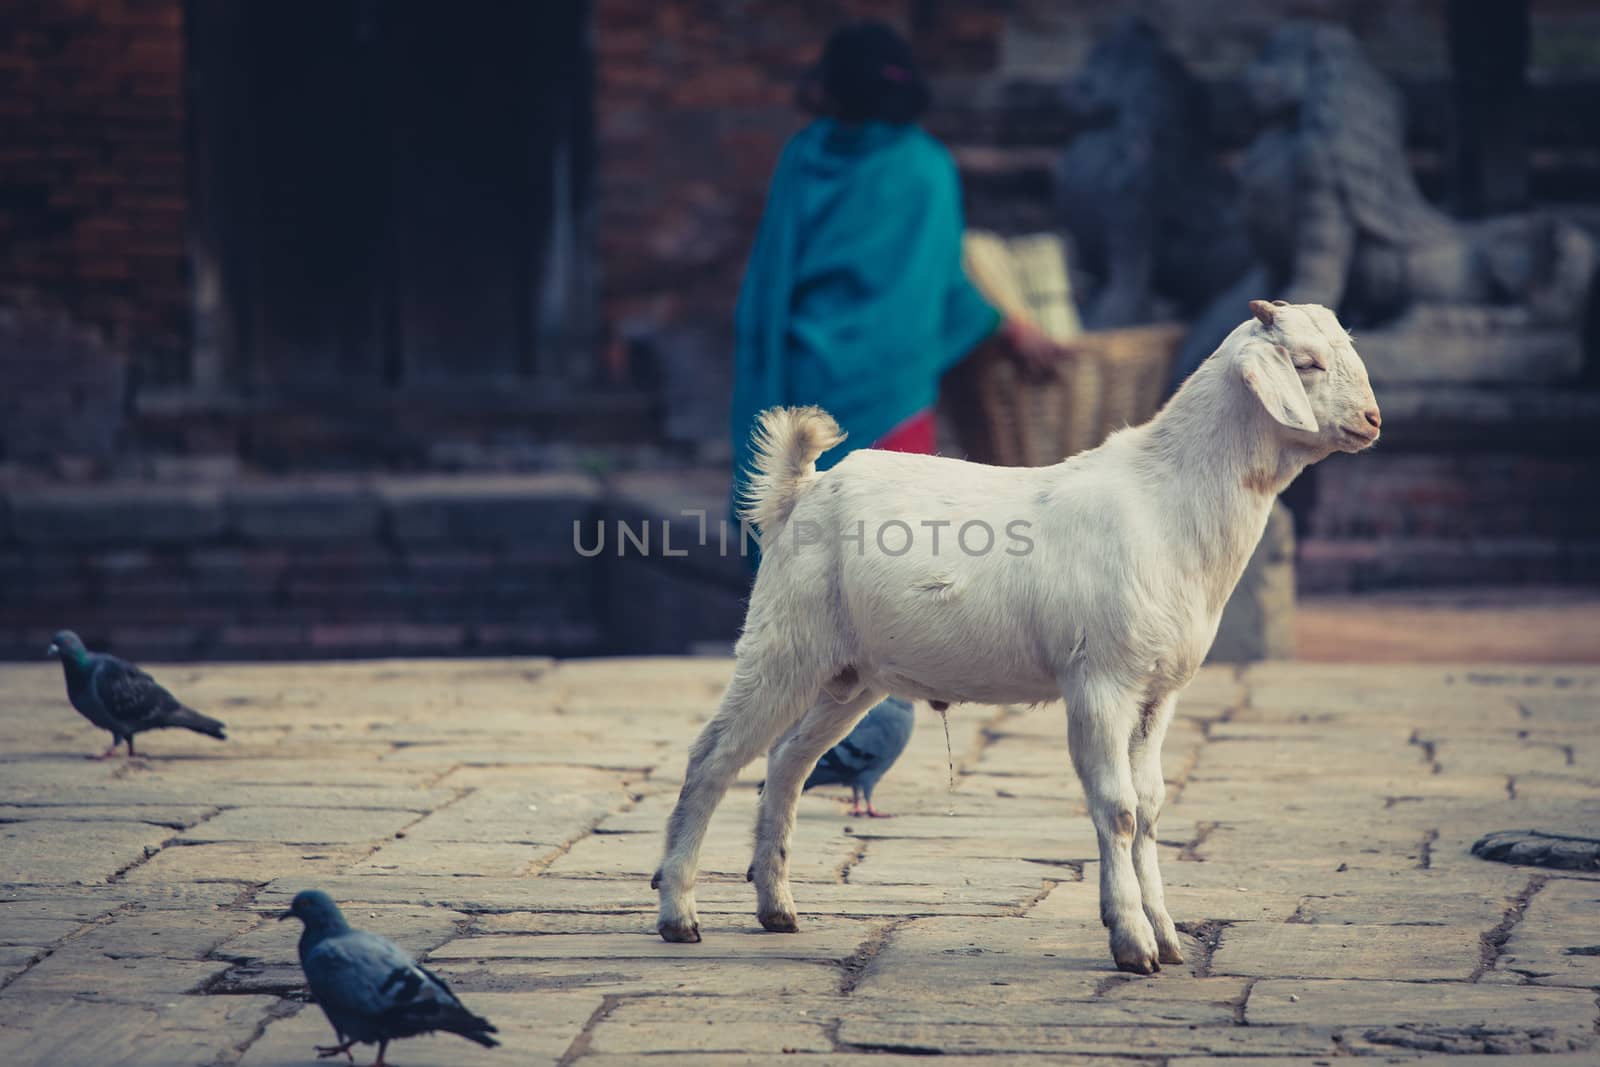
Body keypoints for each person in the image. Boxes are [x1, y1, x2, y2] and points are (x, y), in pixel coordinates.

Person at [729, 19, 1063, 546]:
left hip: (804, 378)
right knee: (886, 550)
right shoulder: (924, 167)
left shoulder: (803, 156)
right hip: (890, 390)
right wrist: (1010, 329)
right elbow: (944, 287)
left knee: (807, 543)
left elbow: (771, 277)